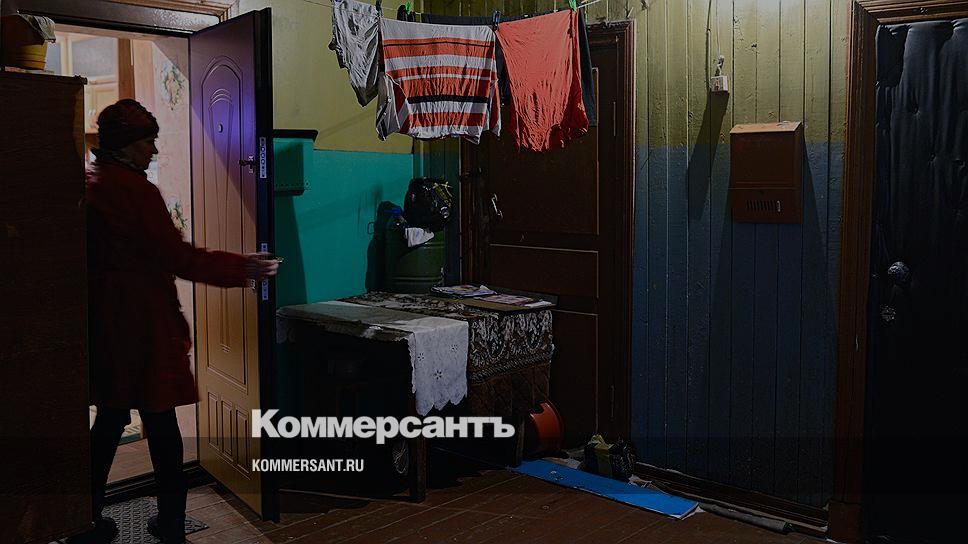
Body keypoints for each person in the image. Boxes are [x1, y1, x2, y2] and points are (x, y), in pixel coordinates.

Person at [70, 99, 279, 543]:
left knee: (108, 421)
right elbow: (178, 257)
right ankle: (170, 524)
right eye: (147, 142)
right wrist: (243, 267)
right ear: (125, 145)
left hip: (106, 325)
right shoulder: (135, 191)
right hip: (143, 325)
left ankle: (83, 519)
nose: (154, 150)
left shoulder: (91, 181)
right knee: (162, 423)